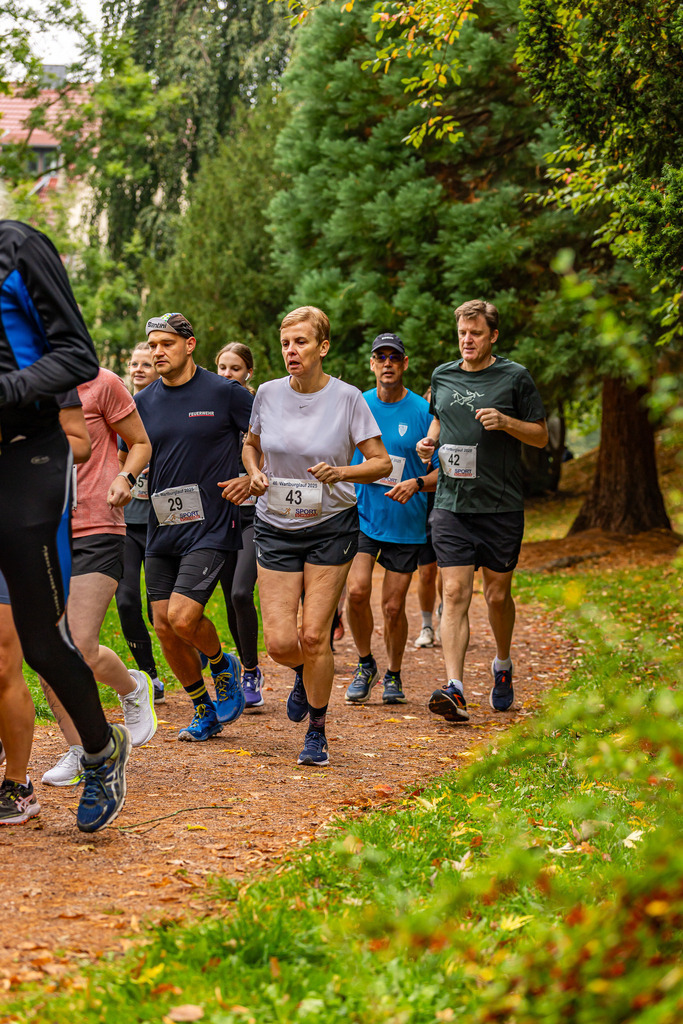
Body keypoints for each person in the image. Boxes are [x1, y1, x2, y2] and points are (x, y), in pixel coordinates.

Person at [0, 219, 131, 832]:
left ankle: (101, 753)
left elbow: (78, 355)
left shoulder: (17, 248)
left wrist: (7, 390)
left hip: (28, 459)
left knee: (41, 641)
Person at [224, 306, 392, 767]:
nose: (291, 351)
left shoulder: (348, 398)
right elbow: (251, 446)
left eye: (301, 342)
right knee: (281, 643)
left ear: (323, 347)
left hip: (330, 525)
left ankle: (317, 731)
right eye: (285, 343)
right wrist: (254, 473)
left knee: (315, 635)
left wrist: (342, 472)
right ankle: (304, 672)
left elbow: (381, 463)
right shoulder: (268, 394)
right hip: (275, 523)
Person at [416, 300, 548, 722]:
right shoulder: (442, 375)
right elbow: (439, 419)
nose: (467, 340)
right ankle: (454, 688)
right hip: (451, 504)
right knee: (454, 593)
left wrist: (507, 422)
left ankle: (502, 664)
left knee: (497, 595)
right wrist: (429, 442)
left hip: (499, 506)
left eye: (475, 333)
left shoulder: (515, 377)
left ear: (493, 336)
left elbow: (541, 435)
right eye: (462, 333)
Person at [136, 313, 253, 742]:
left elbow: (266, 437)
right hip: (163, 524)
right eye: (153, 345)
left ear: (190, 345)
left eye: (166, 343)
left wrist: (251, 475)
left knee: (183, 618)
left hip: (212, 523)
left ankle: (222, 663)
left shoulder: (224, 392)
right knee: (163, 625)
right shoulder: (143, 401)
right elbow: (129, 450)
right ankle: (203, 709)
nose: (158, 352)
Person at [40, 366, 155, 785]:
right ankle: (82, 751)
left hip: (96, 524)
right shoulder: (22, 387)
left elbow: (140, 442)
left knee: (80, 645)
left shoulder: (101, 383)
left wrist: (125, 476)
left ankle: (132, 689)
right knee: (46, 649)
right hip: (40, 531)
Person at [0, 396, 90, 824]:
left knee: (4, 661)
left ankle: (17, 784)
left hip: (22, 524)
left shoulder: (45, 370)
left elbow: (79, 442)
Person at [345, 332, 438, 705]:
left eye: (394, 357)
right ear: (372, 364)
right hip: (361, 515)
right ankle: (365, 663)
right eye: (380, 357)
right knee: (356, 591)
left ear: (404, 364)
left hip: (405, 520)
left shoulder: (423, 412)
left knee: (393, 607)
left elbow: (443, 473)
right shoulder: (358, 404)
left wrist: (417, 484)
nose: (387, 363)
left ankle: (394, 674)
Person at [114, 343, 165, 703]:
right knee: (126, 599)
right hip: (127, 522)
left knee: (159, 607)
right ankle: (149, 674)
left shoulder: (168, 408)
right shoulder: (118, 409)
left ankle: (196, 658)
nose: (139, 369)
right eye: (134, 363)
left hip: (165, 520)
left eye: (146, 364)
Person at [214, 343, 263, 709]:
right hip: (221, 514)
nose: (228, 374)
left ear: (249, 373)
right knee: (230, 597)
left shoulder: (259, 409)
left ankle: (250, 671)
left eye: (235, 368)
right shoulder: (209, 409)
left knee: (241, 593)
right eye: (222, 368)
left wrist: (253, 477)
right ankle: (246, 664)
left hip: (254, 515)